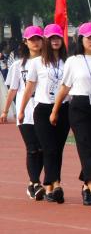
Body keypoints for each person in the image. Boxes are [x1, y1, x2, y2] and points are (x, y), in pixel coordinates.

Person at [51, 22, 91, 208]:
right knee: (87, 147)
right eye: (89, 37)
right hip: (79, 107)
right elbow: (65, 88)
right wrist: (55, 110)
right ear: (81, 39)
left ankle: (86, 186)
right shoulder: (73, 61)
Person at [18, 24, 71, 204]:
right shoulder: (36, 63)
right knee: (49, 148)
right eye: (51, 38)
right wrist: (21, 110)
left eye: (58, 37)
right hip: (43, 110)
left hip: (63, 109)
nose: (55, 41)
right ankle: (55, 184)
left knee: (58, 149)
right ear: (46, 41)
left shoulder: (68, 62)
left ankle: (50, 188)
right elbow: (29, 88)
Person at [1, 26, 46, 200]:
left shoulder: (48, 62)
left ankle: (32, 183)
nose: (35, 42)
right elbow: (13, 89)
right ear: (25, 42)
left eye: (38, 39)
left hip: (43, 110)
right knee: (32, 148)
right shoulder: (18, 65)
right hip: (25, 112)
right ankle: (35, 182)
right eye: (31, 39)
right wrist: (5, 111)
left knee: (43, 148)